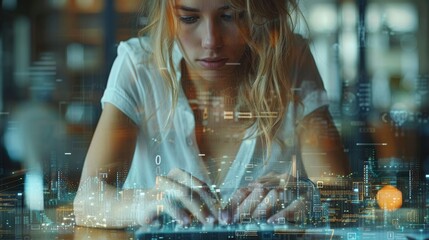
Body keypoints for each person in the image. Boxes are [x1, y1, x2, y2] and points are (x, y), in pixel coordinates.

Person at [73, 0, 350, 229]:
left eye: (229, 16)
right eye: (189, 19)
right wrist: (145, 201)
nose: (211, 41)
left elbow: (340, 191)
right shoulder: (139, 65)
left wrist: (309, 194)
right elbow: (86, 200)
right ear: (168, 16)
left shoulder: (290, 58)